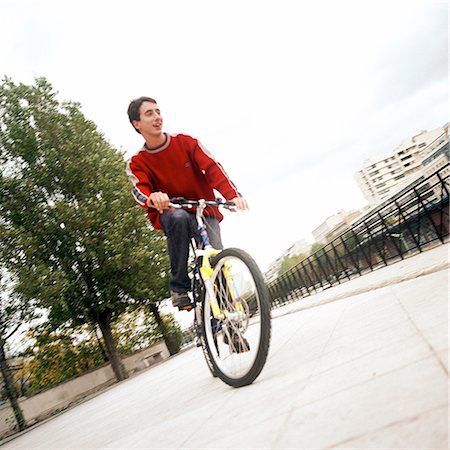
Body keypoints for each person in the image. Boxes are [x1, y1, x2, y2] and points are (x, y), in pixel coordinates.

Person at [126, 97, 248, 308]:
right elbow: (139, 190)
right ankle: (180, 287)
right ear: (137, 124)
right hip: (172, 211)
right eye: (149, 114)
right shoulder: (138, 162)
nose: (157, 117)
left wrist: (232, 195)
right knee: (178, 218)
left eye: (158, 111)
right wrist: (153, 198)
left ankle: (230, 318)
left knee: (215, 259)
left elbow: (212, 168)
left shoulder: (186, 143)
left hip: (203, 209)